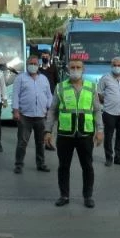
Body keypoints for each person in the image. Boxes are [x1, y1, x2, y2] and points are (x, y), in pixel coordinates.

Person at [44, 59, 103, 208]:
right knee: (63, 166)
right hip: (65, 134)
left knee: (87, 166)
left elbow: (96, 110)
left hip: (85, 134)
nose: (75, 70)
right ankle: (64, 195)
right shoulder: (60, 87)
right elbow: (52, 110)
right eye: (72, 67)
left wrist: (100, 130)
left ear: (83, 70)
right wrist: (48, 131)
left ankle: (88, 196)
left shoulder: (91, 87)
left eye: (78, 67)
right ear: (68, 69)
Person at [12, 55, 52, 174]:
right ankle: (18, 165)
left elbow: (49, 95)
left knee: (40, 142)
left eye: (35, 64)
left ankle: (41, 164)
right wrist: (15, 110)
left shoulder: (44, 79)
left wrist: (49, 108)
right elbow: (15, 95)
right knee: (22, 142)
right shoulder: (20, 78)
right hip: (25, 116)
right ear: (27, 64)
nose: (33, 66)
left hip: (41, 116)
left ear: (38, 65)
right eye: (31, 63)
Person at [97, 57, 120, 167]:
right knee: (108, 136)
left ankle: (119, 157)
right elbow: (99, 93)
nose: (117, 67)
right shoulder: (105, 78)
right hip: (109, 112)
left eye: (119, 65)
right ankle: (108, 158)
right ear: (111, 66)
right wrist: (108, 101)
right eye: (115, 65)